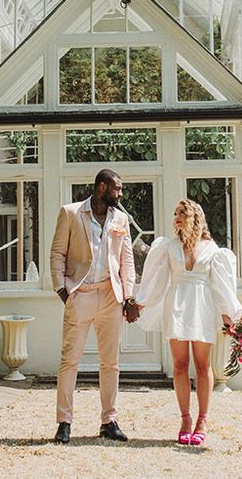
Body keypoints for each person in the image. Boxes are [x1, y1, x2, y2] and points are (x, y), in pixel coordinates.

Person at [135, 199, 242, 447]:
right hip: (177, 307)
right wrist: (140, 303)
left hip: (202, 307)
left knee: (203, 364)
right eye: (175, 213)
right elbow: (158, 281)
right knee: (180, 364)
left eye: (181, 213)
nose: (176, 217)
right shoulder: (169, 247)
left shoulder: (213, 250)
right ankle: (185, 419)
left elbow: (220, 286)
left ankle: (202, 421)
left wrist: (229, 316)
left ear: (194, 216)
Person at [50, 169, 137, 444]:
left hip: (111, 296)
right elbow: (57, 253)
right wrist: (63, 291)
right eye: (117, 189)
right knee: (70, 361)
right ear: (102, 188)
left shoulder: (120, 218)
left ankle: (109, 421)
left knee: (110, 363)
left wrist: (128, 295)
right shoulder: (71, 213)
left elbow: (127, 260)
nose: (120, 194)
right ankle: (64, 422)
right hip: (80, 295)